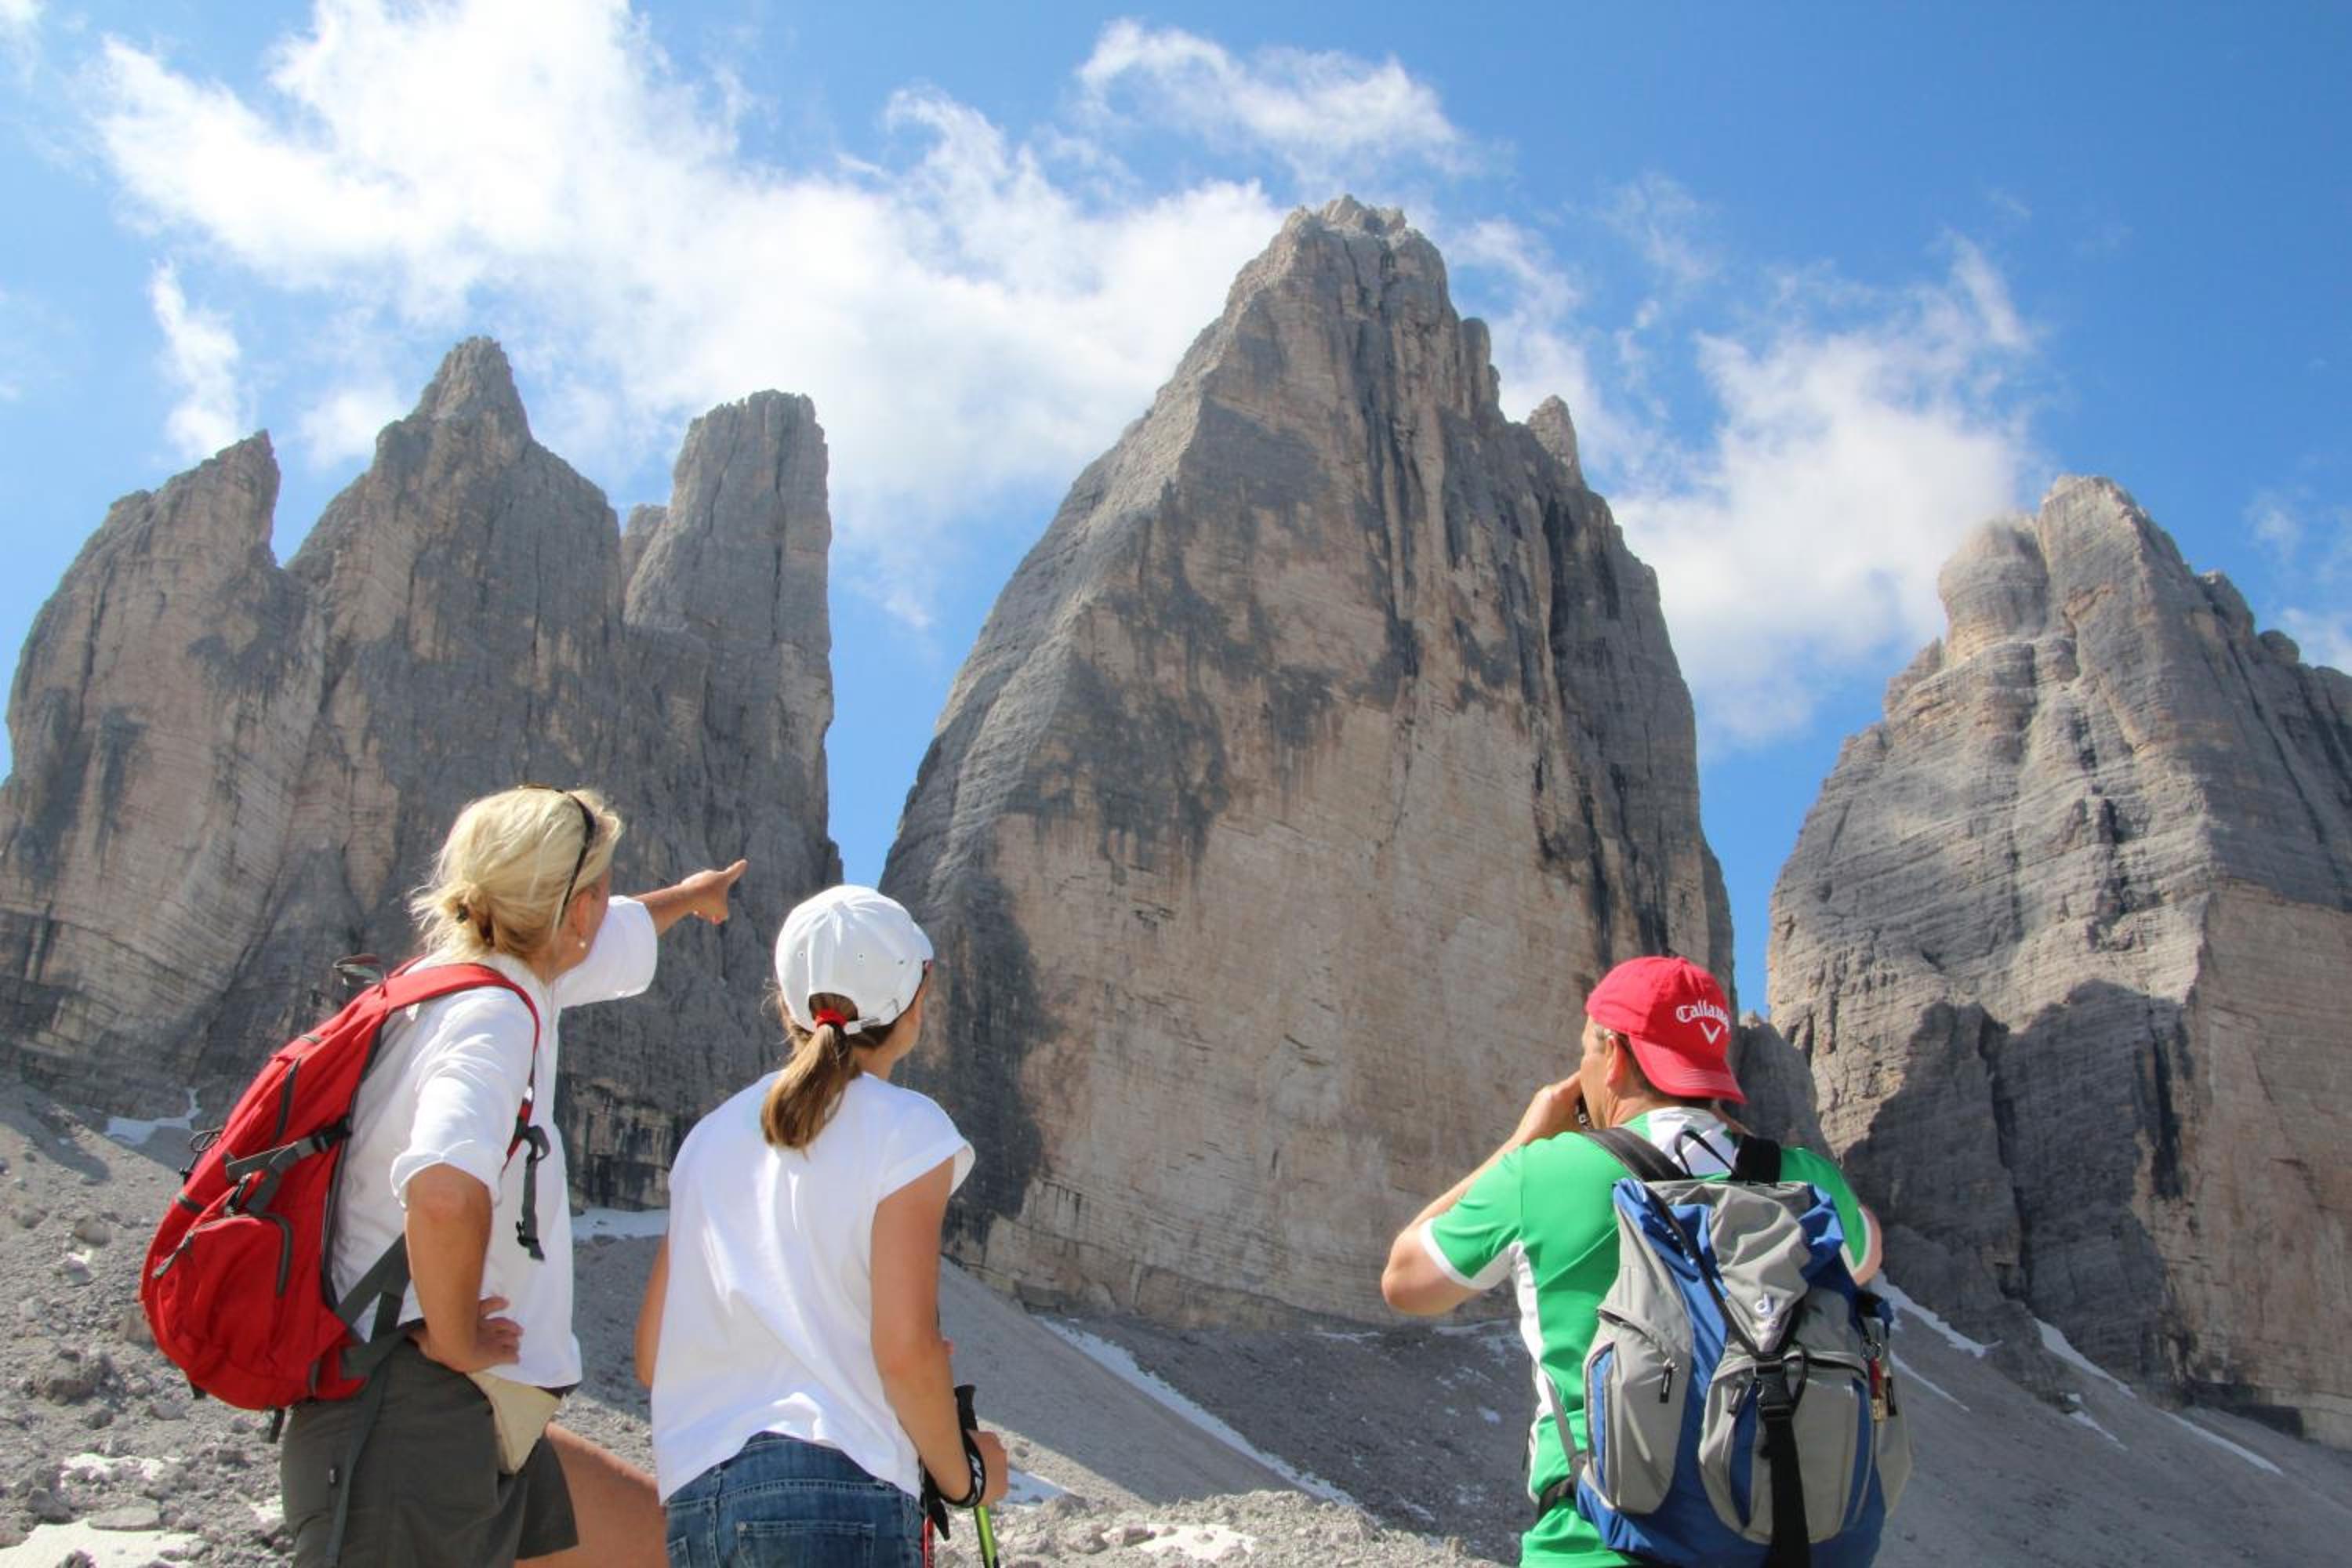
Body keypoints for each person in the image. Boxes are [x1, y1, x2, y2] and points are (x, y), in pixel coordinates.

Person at [280, 783, 746, 1568]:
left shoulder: (482, 978)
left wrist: (691, 897)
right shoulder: (490, 1016)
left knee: (675, 1550)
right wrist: (457, 1334)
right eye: (598, 890)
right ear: (575, 912)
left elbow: (619, 928)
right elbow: (442, 1188)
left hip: (483, 1429)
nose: (605, 909)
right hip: (410, 1433)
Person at [1380, 955, 1882, 1568]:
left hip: (1597, 1548)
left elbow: (1405, 1282)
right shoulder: (1806, 1179)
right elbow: (1865, 1255)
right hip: (1778, 1549)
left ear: (1613, 1055)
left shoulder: (1544, 1173)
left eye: (1585, 1052)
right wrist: (1742, 1148)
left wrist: (1523, 1142)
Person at [637, 884, 1009, 1568]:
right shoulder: (909, 1127)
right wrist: (966, 1476)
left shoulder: (708, 1139)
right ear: (915, 1003)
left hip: (697, 1504)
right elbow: (905, 1351)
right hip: (838, 1494)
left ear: (788, 1005)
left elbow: (653, 1355)